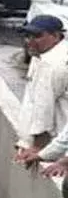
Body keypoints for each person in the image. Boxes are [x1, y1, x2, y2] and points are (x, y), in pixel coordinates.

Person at [12, 16, 68, 165]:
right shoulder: (43, 56)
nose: (29, 41)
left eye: (37, 36)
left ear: (56, 36)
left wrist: (38, 147)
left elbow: (43, 108)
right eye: (27, 36)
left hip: (56, 147)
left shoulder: (52, 63)